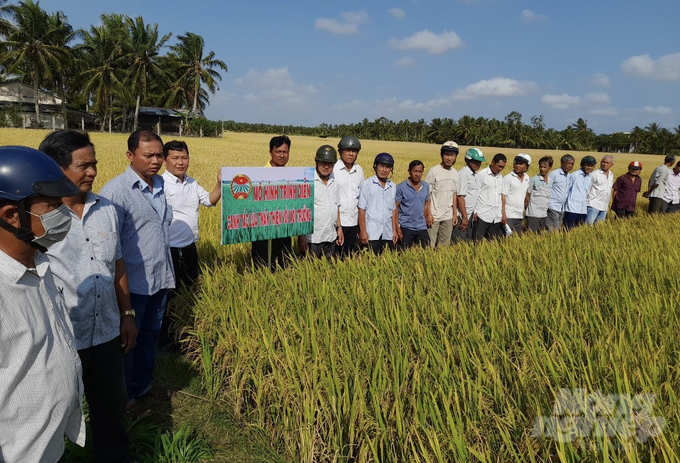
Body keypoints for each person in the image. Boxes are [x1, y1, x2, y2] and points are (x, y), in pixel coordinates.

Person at [39, 130, 136, 462]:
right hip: (61, 337)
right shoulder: (38, 219)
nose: (92, 172)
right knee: (54, 412)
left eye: (94, 164)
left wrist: (127, 315)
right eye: (84, 166)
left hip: (107, 331)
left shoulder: (107, 209)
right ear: (56, 168)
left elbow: (118, 264)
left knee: (111, 409)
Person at [0, 146, 86, 462]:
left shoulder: (40, 264)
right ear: (11, 215)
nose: (64, 215)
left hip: (49, 444)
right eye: (51, 207)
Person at [100, 130, 175, 406]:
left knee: (149, 338)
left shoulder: (160, 185)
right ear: (130, 155)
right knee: (128, 342)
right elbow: (108, 245)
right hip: (132, 285)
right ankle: (125, 399)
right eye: (149, 155)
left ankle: (142, 387)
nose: (156, 161)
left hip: (159, 279)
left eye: (159, 155)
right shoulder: (115, 192)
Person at [161, 140, 221, 349]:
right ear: (164, 160)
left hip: (189, 247)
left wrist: (220, 184)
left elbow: (210, 201)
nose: (181, 162)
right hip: (169, 249)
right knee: (170, 293)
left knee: (189, 289)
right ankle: (167, 338)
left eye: (184, 158)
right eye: (175, 158)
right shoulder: (160, 185)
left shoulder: (192, 183)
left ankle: (186, 331)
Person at [251, 135, 295, 270]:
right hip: (263, 232)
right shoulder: (258, 176)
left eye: (285, 152)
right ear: (271, 152)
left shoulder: (293, 176)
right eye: (278, 152)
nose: (282, 155)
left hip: (284, 231)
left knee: (285, 268)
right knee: (263, 269)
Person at [298, 145, 343, 258]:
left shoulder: (334, 182)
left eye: (330, 163)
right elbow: (301, 209)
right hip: (313, 239)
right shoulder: (307, 181)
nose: (326, 166)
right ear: (316, 162)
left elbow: (336, 206)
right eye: (323, 162)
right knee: (311, 272)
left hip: (331, 236)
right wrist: (301, 236)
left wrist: (339, 227)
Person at [358, 153, 398, 254]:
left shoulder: (392, 186)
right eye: (382, 166)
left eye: (388, 167)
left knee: (387, 262)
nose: (384, 170)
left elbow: (393, 210)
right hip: (372, 232)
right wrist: (363, 231)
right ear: (375, 166)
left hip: (387, 233)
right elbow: (361, 209)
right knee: (370, 262)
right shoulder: (367, 184)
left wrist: (394, 231)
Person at [424, 141, 459, 248]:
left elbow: (454, 194)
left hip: (448, 215)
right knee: (430, 244)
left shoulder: (455, 173)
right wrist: (428, 214)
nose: (449, 158)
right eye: (447, 155)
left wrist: (454, 214)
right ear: (442, 155)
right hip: (434, 215)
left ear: (456, 156)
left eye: (452, 155)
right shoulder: (433, 171)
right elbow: (427, 194)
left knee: (444, 246)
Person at [333, 135, 364, 257]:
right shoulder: (334, 169)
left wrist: (360, 225)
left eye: (354, 151)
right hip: (337, 222)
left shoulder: (359, 170)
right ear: (340, 151)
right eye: (348, 150)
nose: (351, 154)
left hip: (353, 222)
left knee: (348, 256)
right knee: (335, 256)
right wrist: (338, 225)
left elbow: (361, 196)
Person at [395, 160, 431, 249]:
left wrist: (427, 217)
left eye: (420, 171)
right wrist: (397, 228)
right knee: (403, 253)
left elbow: (426, 203)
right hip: (406, 226)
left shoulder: (426, 186)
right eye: (415, 171)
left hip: (421, 227)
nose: (417, 174)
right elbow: (395, 207)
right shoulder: (401, 188)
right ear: (409, 171)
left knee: (426, 252)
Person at [452, 148, 485, 242]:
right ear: (468, 160)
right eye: (475, 162)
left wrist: (474, 212)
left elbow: (474, 195)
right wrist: (465, 217)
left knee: (467, 241)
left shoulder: (476, 175)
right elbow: (460, 197)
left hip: (469, 214)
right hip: (461, 216)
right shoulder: (463, 174)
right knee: (459, 242)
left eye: (479, 162)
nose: (478, 164)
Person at [473, 153, 507, 240]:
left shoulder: (500, 177)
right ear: (493, 162)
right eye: (499, 166)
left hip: (496, 217)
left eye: (503, 167)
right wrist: (475, 211)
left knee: (492, 243)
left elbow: (500, 196)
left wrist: (502, 213)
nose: (501, 169)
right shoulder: (481, 175)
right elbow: (475, 193)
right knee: (477, 241)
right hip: (482, 215)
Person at [563, 156, 597, 229]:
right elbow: (566, 191)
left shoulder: (590, 177)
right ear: (582, 165)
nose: (589, 168)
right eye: (587, 165)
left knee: (578, 230)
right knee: (568, 230)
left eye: (591, 166)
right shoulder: (575, 175)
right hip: (571, 209)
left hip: (583, 210)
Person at [501, 153, 531, 234]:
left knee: (515, 239)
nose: (517, 165)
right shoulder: (508, 178)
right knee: (505, 238)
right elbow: (502, 196)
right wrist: (503, 214)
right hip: (508, 215)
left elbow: (526, 197)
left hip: (519, 215)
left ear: (527, 166)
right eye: (516, 163)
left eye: (520, 164)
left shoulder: (527, 178)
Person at [546, 154, 575, 230]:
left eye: (572, 164)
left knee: (557, 227)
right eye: (568, 163)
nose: (570, 166)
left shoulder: (569, 176)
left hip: (562, 207)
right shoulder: (554, 174)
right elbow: (546, 188)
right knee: (553, 228)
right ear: (562, 163)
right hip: (552, 206)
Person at [525, 156, 553, 232]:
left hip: (544, 214)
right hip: (533, 214)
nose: (542, 169)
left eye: (545, 167)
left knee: (540, 235)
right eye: (541, 167)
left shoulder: (551, 181)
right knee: (532, 235)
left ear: (550, 167)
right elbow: (527, 196)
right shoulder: (534, 179)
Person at [586, 155, 615, 225]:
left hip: (604, 206)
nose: (604, 164)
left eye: (607, 163)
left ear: (612, 164)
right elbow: (587, 189)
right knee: (588, 225)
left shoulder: (611, 175)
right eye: (603, 162)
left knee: (599, 226)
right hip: (593, 205)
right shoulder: (594, 174)